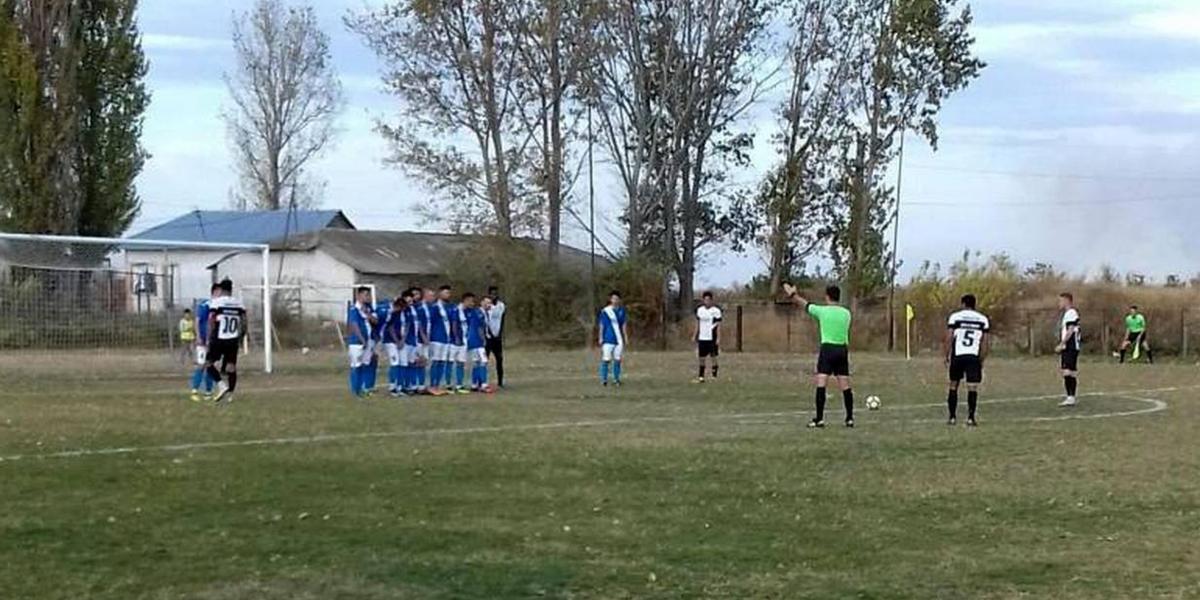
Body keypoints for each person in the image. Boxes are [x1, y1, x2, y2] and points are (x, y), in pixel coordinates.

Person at [782, 282, 855, 428]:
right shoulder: (846, 313)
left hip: (827, 349)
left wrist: (793, 295)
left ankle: (819, 419)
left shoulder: (822, 311)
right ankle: (849, 418)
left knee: (821, 383)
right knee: (845, 385)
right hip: (842, 349)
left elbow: (805, 304)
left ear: (827, 297)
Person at [944, 294, 990, 427]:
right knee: (972, 387)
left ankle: (952, 417)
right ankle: (971, 418)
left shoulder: (955, 317)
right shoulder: (982, 319)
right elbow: (985, 342)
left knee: (953, 385)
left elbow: (949, 337)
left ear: (963, 304)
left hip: (958, 354)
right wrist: (981, 359)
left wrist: (946, 355)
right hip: (973, 356)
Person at [205, 279, 247, 405]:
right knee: (231, 367)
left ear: (221, 289)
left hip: (219, 338)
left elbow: (211, 319)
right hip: (233, 339)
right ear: (231, 289)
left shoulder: (217, 302)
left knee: (208, 363)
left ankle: (221, 385)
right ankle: (231, 395)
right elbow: (244, 321)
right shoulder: (239, 303)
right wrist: (242, 336)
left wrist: (209, 337)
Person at [345, 286, 376, 398]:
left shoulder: (368, 308)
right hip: (357, 342)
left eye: (368, 295)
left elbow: (375, 321)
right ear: (359, 296)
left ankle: (363, 388)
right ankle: (355, 391)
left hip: (368, 341)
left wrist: (368, 314)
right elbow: (354, 325)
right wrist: (362, 339)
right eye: (365, 295)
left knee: (365, 365)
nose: (368, 297)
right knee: (356, 365)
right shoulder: (354, 309)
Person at [189, 285, 218, 402]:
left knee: (210, 365)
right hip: (203, 341)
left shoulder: (219, 307)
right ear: (214, 292)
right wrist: (199, 336)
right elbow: (197, 321)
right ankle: (194, 391)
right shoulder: (206, 305)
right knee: (201, 365)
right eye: (219, 293)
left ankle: (208, 392)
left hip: (213, 341)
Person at [426, 285, 454, 396]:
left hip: (445, 339)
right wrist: (428, 337)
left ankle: (437, 385)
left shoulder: (448, 308)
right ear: (440, 294)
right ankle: (432, 385)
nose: (448, 295)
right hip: (436, 339)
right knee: (435, 361)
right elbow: (430, 323)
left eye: (449, 293)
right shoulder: (435, 307)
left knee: (442, 362)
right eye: (446, 293)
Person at [1056, 292, 1082, 407]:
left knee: (1068, 371)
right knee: (1069, 372)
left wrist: (1062, 343)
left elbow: (1071, 329)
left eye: (1061, 301)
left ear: (1067, 301)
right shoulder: (1068, 313)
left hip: (1070, 346)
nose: (1059, 303)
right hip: (1070, 346)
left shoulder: (1071, 313)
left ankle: (1070, 397)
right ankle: (1071, 397)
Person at [598, 290, 628, 386]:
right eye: (613, 299)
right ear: (610, 299)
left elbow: (623, 325)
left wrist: (625, 336)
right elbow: (602, 325)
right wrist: (600, 337)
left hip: (619, 339)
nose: (615, 300)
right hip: (608, 339)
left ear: (619, 300)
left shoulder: (622, 311)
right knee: (606, 359)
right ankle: (604, 379)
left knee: (617, 359)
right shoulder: (606, 311)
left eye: (617, 299)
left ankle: (616, 379)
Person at [464, 293, 492, 393]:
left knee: (476, 362)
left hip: (472, 340)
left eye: (490, 303)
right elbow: (480, 328)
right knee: (483, 361)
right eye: (487, 303)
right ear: (481, 303)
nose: (489, 305)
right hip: (477, 341)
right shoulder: (479, 313)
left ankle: (474, 384)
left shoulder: (482, 313)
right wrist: (483, 339)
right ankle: (483, 384)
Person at [693, 291, 722, 383]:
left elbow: (718, 325)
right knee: (701, 358)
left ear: (711, 300)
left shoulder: (716, 311)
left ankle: (714, 376)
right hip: (702, 337)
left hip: (712, 337)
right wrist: (695, 335)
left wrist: (718, 338)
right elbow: (697, 323)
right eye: (705, 300)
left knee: (713, 357)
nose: (707, 302)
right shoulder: (700, 310)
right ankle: (701, 377)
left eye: (709, 300)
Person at [446, 291, 469, 394]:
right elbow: (454, 324)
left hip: (463, 341)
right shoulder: (456, 310)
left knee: (461, 363)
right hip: (454, 342)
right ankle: (448, 385)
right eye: (470, 301)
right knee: (450, 362)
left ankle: (459, 385)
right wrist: (456, 337)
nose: (472, 304)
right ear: (465, 301)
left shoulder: (466, 312)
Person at [385, 296, 408, 397]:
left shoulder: (405, 314)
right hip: (391, 341)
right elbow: (390, 327)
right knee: (395, 363)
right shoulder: (392, 313)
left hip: (402, 341)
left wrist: (402, 340)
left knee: (403, 363)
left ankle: (400, 386)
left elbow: (407, 326)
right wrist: (396, 341)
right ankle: (392, 387)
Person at [485, 286, 506, 388]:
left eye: (495, 294)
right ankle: (483, 381)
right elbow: (486, 321)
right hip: (488, 337)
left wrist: (500, 334)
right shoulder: (487, 306)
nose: (494, 296)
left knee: (499, 359)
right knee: (485, 360)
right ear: (489, 294)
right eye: (492, 294)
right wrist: (491, 334)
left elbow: (502, 320)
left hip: (497, 337)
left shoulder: (501, 305)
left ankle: (500, 381)